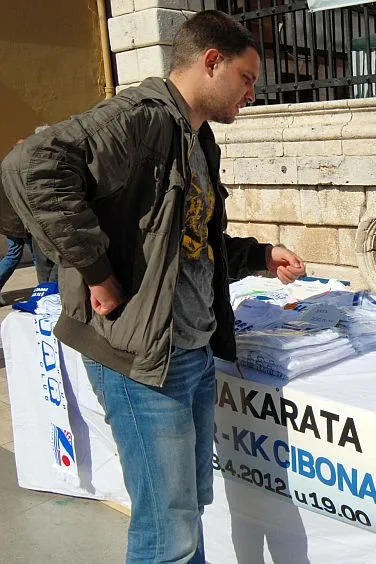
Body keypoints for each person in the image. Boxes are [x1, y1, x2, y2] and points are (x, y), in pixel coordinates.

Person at [2, 10, 306, 564]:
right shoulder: (142, 118)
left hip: (188, 352)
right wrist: (96, 270)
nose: (253, 93)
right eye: (246, 77)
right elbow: (30, 167)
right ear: (211, 62)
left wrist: (260, 256)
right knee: (167, 532)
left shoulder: (198, 139)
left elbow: (188, 244)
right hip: (139, 358)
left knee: (185, 515)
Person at [0, 172, 33, 306]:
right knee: (39, 256)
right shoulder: (13, 170)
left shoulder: (6, 168)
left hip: (7, 221)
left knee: (14, 252)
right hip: (19, 220)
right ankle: (46, 292)